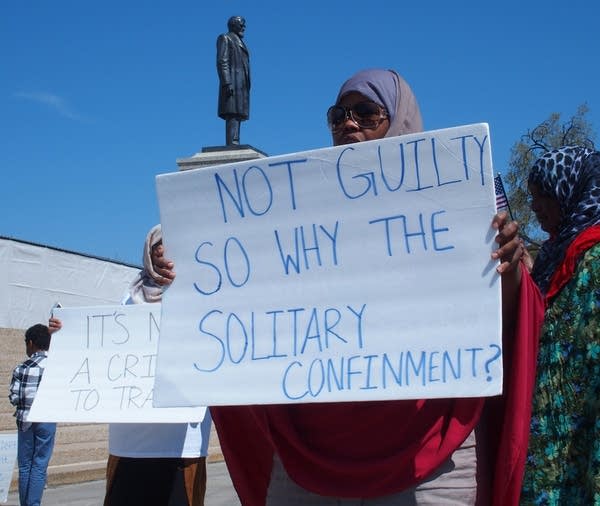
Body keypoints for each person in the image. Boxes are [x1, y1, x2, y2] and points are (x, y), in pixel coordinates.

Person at [208, 69, 545, 505]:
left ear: (400, 120)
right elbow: (236, 295)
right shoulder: (289, 221)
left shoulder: (452, 211)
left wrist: (509, 265)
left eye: (367, 113)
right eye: (338, 115)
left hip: (429, 457)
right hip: (308, 459)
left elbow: (506, 317)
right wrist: (178, 274)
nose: (349, 123)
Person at [103, 224, 212, 506]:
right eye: (158, 245)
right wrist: (65, 336)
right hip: (129, 444)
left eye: (172, 243)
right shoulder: (128, 299)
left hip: (181, 443)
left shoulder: (205, 292)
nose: (164, 250)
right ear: (149, 252)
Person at [519, 146, 600, 504]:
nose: (535, 205)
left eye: (542, 196)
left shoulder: (594, 255)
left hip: (582, 416)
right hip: (547, 417)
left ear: (569, 193)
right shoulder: (554, 253)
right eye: (532, 197)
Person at [8, 323, 57, 506]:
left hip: (24, 421)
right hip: (47, 419)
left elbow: (14, 397)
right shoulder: (54, 367)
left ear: (30, 343)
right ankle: (34, 504)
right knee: (39, 465)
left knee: (25, 466)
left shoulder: (20, 368)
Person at [216, 15, 250, 145]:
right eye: (241, 24)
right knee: (232, 113)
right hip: (233, 81)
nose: (244, 27)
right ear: (233, 25)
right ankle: (232, 142)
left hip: (241, 83)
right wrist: (227, 82)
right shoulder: (225, 38)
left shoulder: (240, 41)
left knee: (238, 113)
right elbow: (222, 61)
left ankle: (235, 140)